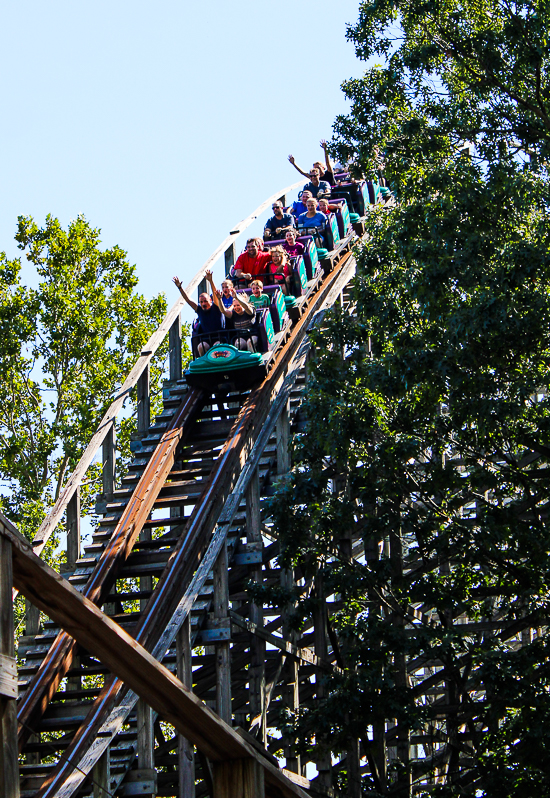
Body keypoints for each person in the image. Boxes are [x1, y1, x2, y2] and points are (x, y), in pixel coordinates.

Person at [173, 270, 224, 356]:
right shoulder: (199, 310)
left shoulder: (216, 306)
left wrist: (211, 281)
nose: (203, 304)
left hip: (219, 338)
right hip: (206, 339)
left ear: (210, 300)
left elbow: (215, 295)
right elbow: (188, 299)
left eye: (205, 301)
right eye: (201, 302)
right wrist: (180, 288)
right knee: (201, 347)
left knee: (216, 347)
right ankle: (204, 365)